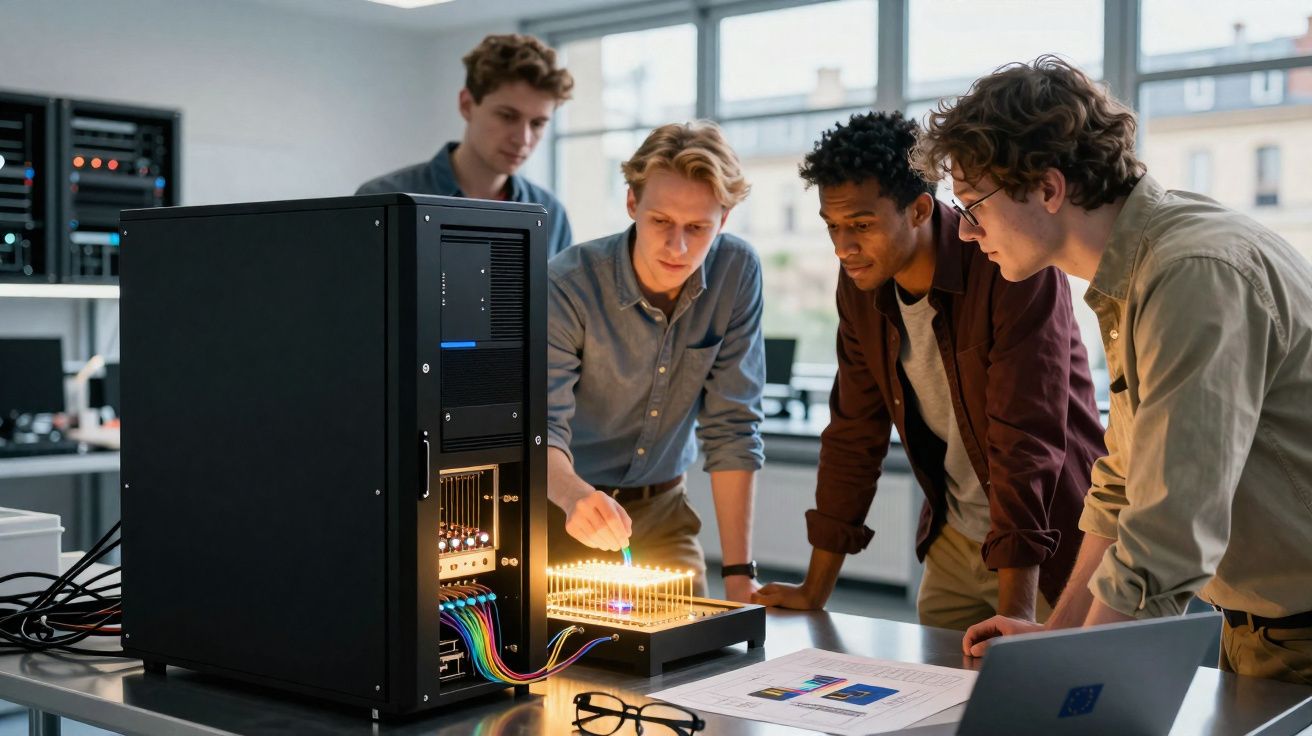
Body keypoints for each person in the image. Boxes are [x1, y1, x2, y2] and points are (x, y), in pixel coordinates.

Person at [914, 56, 1312, 685]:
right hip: (1260, 630)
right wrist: (1059, 636)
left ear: (1048, 188)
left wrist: (1077, 678)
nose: (966, 233)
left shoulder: (1191, 271)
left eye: (973, 206)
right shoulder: (1135, 273)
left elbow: (1170, 525)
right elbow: (1124, 487)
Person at [752, 112, 1105, 630]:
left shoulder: (1010, 264)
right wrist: (814, 590)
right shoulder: (861, 285)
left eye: (862, 226)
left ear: (919, 209)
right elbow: (854, 432)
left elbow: (1025, 440)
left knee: (1044, 702)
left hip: (1052, 550)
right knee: (933, 704)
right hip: (956, 540)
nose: (842, 247)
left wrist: (1016, 614)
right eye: (833, 227)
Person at [545, 121, 765, 602]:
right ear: (631, 204)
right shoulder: (568, 283)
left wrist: (738, 575)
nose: (678, 247)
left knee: (703, 655)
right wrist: (572, 495)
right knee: (567, 662)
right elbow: (541, 428)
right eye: (661, 221)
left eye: (698, 228)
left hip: (665, 513)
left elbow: (733, 427)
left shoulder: (737, 272)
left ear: (723, 220)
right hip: (565, 511)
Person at [357, 33, 574, 256]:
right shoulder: (382, 201)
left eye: (538, 123)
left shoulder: (551, 215)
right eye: (508, 116)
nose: (523, 140)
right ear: (467, 105)